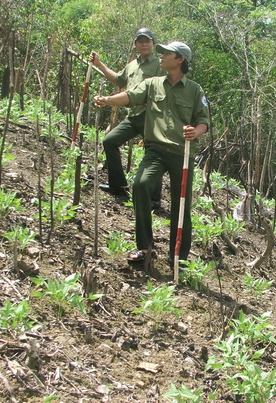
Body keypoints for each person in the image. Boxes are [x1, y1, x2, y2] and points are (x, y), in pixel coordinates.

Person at [94, 41, 210, 265]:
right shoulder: (153, 84)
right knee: (140, 185)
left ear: (180, 60)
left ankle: (179, 257)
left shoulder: (195, 90)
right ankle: (144, 246)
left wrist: (195, 132)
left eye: (167, 53)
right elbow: (129, 96)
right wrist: (108, 100)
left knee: (181, 205)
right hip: (155, 150)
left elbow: (203, 121)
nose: (162, 56)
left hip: (182, 154)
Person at [90, 27, 165, 201]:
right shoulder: (132, 65)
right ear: (135, 44)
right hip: (133, 116)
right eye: (140, 41)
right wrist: (98, 64)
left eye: (147, 41)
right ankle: (118, 186)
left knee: (153, 153)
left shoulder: (159, 65)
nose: (144, 44)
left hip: (151, 116)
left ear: (153, 44)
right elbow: (118, 79)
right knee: (109, 141)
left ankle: (154, 198)